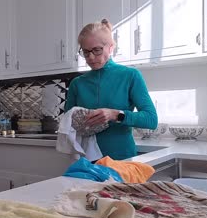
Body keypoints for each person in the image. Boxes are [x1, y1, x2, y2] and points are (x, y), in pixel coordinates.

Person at [65, 19, 158, 160]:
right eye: (85, 52)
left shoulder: (130, 75)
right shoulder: (77, 84)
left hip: (122, 160)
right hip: (86, 163)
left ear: (111, 47)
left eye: (97, 50)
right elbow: (68, 122)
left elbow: (151, 120)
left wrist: (115, 115)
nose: (90, 57)